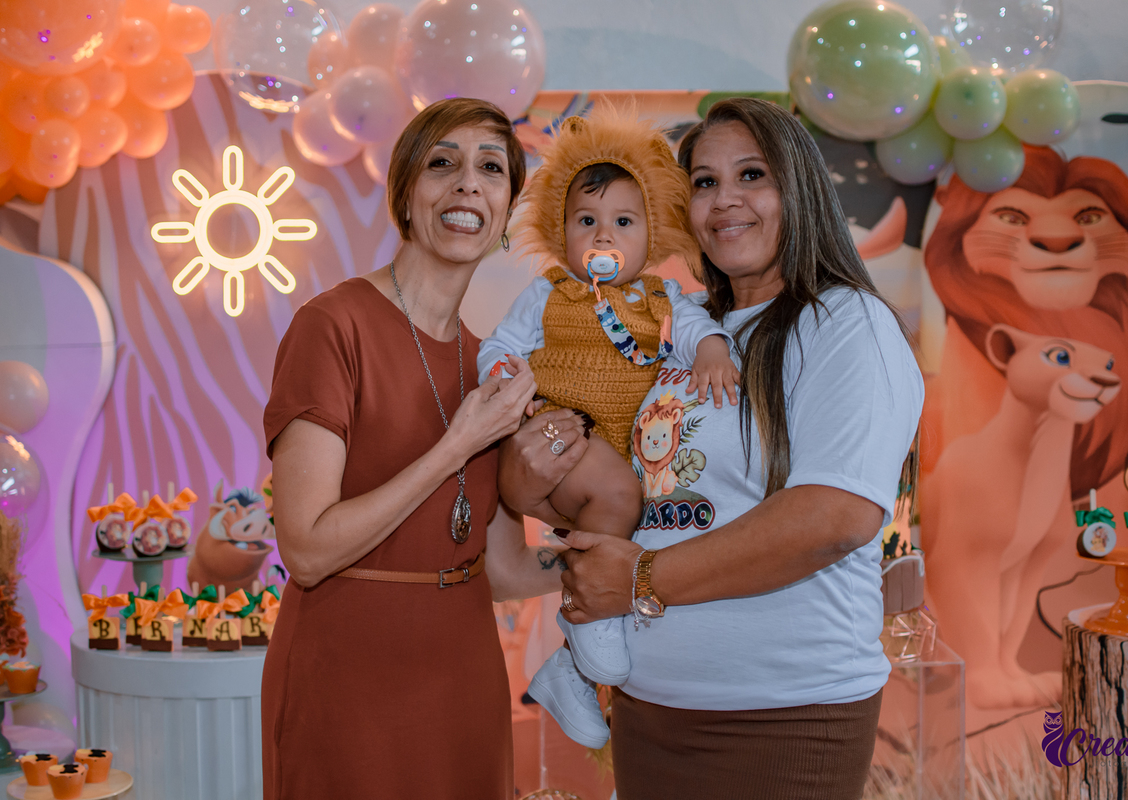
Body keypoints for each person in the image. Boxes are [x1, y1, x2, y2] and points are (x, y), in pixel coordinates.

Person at [499, 97, 923, 799]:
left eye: (752, 175)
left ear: (800, 188)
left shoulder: (847, 324)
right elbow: (630, 499)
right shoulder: (685, 336)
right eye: (703, 181)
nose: (725, 201)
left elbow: (834, 517)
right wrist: (527, 473)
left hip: (782, 716)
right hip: (650, 710)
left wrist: (638, 580)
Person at [260, 98, 579, 799]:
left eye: (491, 169)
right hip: (347, 674)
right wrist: (458, 442)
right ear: (407, 195)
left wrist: (624, 548)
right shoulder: (332, 327)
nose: (469, 184)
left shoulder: (490, 363)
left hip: (463, 675)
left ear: (504, 214)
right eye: (444, 164)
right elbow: (307, 549)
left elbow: (500, 569)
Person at [478, 107, 740, 749]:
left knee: (638, 517)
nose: (604, 235)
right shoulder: (550, 293)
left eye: (623, 222)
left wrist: (710, 350)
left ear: (652, 235)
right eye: (586, 222)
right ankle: (588, 628)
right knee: (622, 497)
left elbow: (700, 330)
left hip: (616, 454)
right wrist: (509, 374)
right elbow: (501, 344)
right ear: (561, 232)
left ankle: (570, 667)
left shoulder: (661, 300)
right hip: (559, 433)